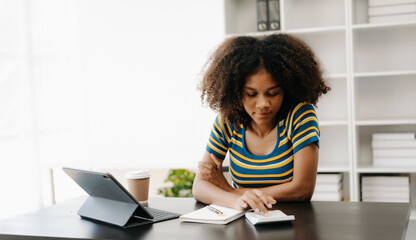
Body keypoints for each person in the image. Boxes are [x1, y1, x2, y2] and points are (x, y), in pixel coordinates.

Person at [192, 33, 330, 216]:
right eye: (251, 94)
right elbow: (199, 186)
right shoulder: (228, 120)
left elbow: (302, 189)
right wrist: (235, 200)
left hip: (294, 224)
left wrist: (231, 192)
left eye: (272, 93)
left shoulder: (300, 116)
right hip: (244, 221)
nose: (263, 103)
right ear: (235, 92)